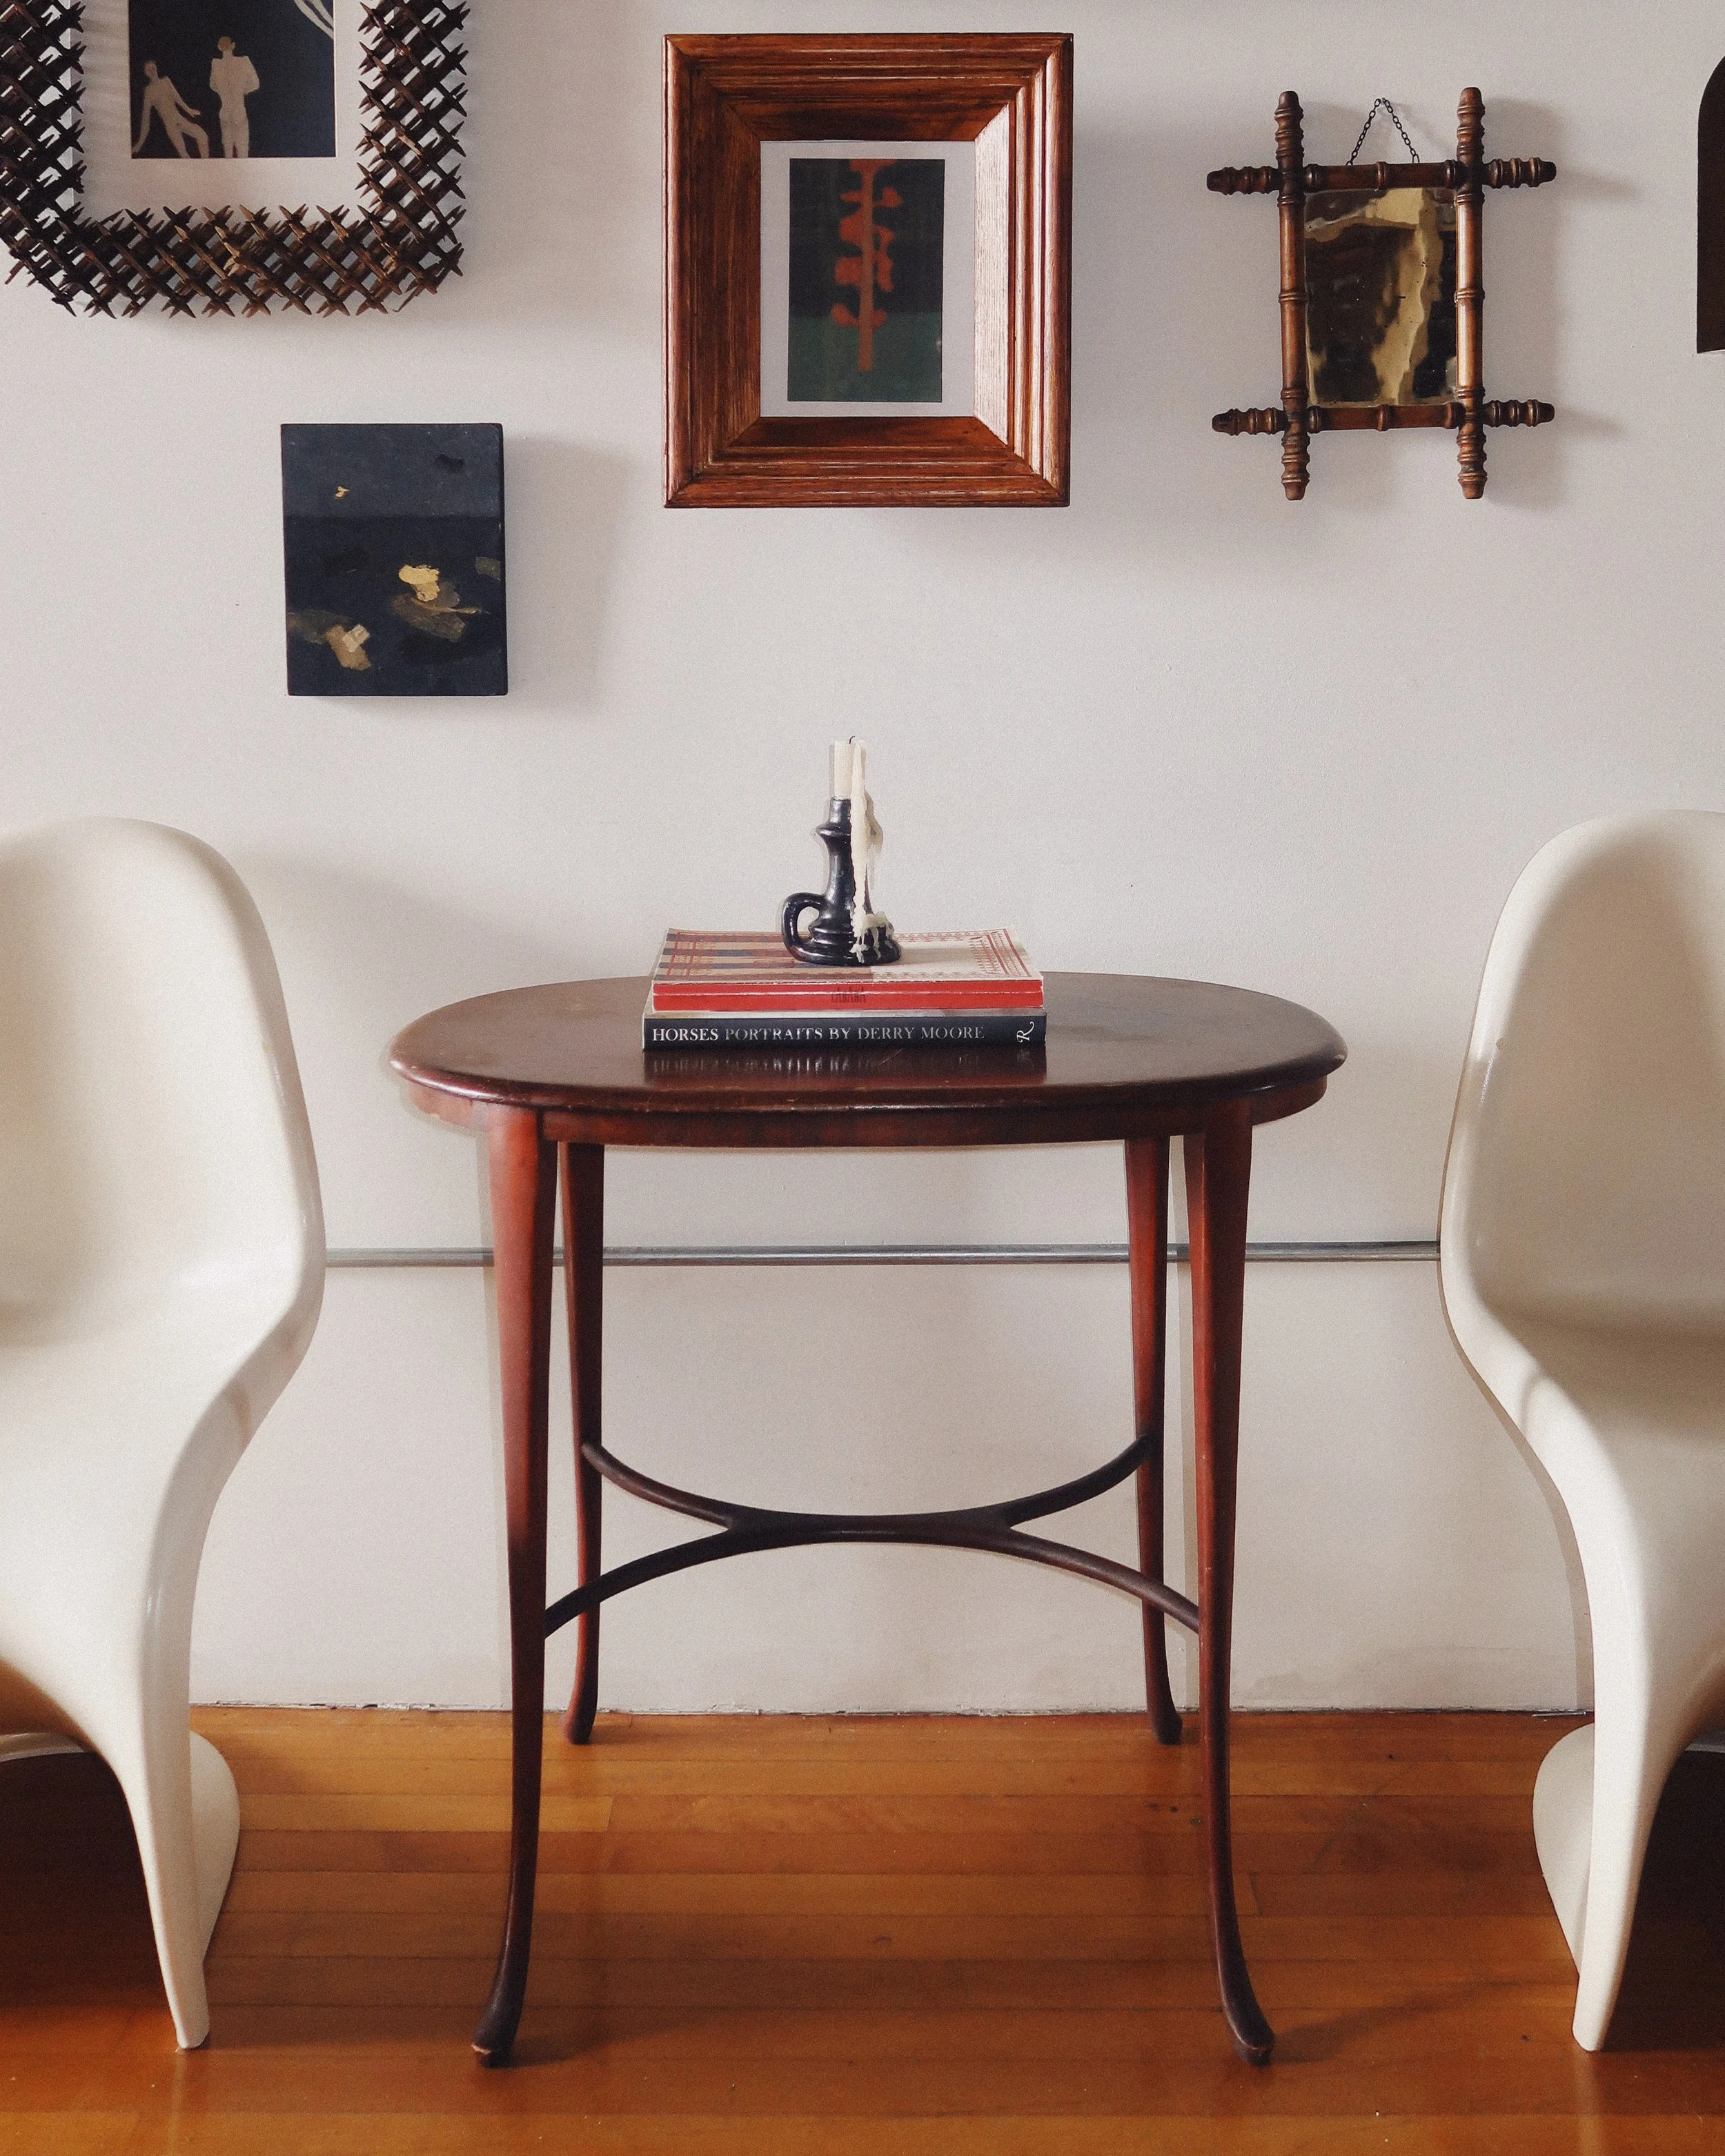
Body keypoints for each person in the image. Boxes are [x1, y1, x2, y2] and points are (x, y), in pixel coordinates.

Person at [132, 63, 208, 158]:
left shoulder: (166, 81)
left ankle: (205, 163)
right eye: (148, 69)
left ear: (156, 68)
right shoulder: (149, 91)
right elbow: (145, 119)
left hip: (179, 119)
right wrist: (140, 143)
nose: (151, 70)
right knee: (184, 155)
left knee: (203, 136)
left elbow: (177, 97)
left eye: (153, 67)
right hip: (171, 126)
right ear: (146, 73)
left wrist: (189, 110)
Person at [208, 37, 260, 159]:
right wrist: (243, 90)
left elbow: (213, 86)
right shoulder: (243, 62)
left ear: (219, 47)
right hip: (239, 110)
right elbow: (255, 84)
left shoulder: (216, 65)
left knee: (228, 151)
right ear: (233, 46)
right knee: (242, 150)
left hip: (225, 111)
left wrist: (224, 92)